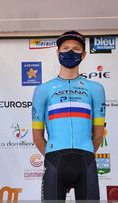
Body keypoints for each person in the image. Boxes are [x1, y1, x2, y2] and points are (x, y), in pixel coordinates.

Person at [32, 30, 106, 200]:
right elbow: (37, 136)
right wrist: (53, 157)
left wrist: (84, 153)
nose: (70, 51)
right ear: (58, 53)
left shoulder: (96, 89)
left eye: (76, 48)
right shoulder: (43, 90)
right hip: (55, 162)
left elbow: (99, 135)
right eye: (65, 48)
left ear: (84, 54)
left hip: (85, 162)